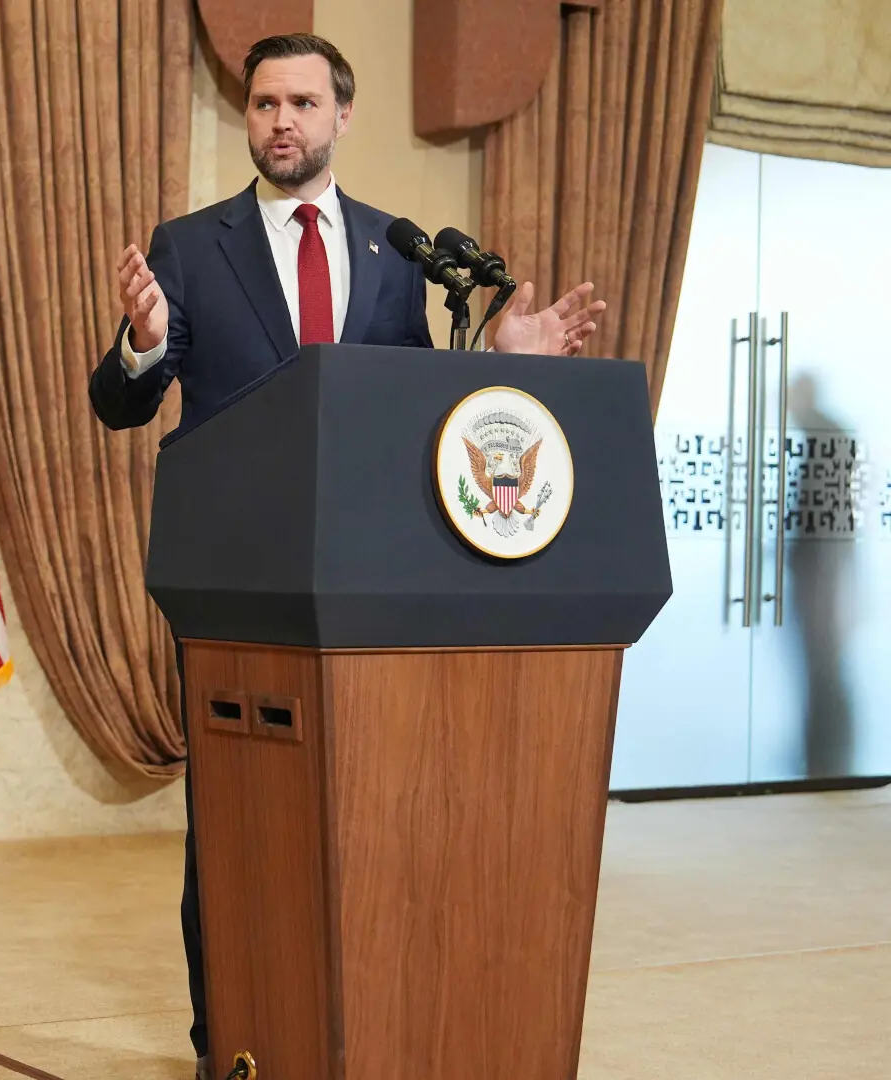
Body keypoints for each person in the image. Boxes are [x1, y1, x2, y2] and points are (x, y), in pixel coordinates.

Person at [86, 33, 605, 1080]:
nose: (282, 119)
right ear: (250, 119)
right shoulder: (190, 245)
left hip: (363, 588)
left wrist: (496, 365)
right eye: (265, 102)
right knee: (233, 826)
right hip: (235, 582)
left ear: (340, 117)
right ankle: (228, 1038)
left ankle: (356, 1027)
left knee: (366, 822)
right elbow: (120, 404)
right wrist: (142, 341)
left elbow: (405, 412)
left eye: (303, 101)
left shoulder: (391, 250)